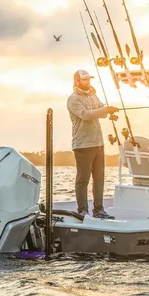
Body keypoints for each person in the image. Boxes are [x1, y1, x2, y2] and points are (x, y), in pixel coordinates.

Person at [66, 69, 119, 219]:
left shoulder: (93, 95)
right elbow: (85, 115)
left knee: (99, 179)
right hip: (83, 145)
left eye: (88, 79)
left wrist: (109, 112)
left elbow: (100, 111)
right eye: (84, 80)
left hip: (98, 143)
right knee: (83, 180)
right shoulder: (73, 99)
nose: (87, 82)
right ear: (76, 82)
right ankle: (82, 211)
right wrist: (104, 110)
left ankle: (99, 210)